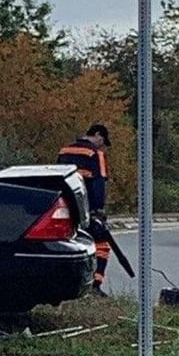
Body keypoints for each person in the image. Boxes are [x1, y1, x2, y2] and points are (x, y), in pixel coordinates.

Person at [57, 123, 112, 296]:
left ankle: (66, 285)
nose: (101, 145)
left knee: (68, 245)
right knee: (101, 244)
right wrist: (99, 210)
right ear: (97, 134)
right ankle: (95, 285)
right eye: (101, 141)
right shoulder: (96, 154)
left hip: (64, 207)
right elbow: (98, 183)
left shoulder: (64, 151)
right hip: (86, 208)